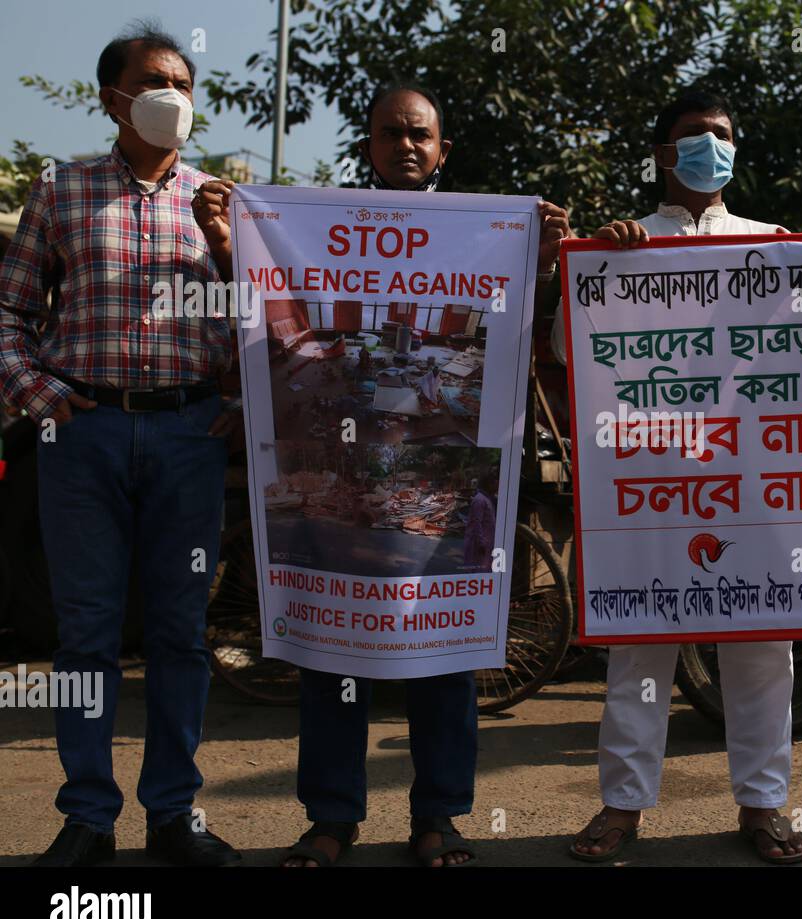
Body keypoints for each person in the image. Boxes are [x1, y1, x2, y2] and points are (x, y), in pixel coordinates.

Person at [194, 81, 572, 867]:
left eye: (420, 135)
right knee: (335, 657)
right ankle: (330, 820)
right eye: (390, 133)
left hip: (444, 494)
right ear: (367, 145)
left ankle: (439, 818)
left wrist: (537, 261)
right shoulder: (316, 230)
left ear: (442, 150)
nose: (406, 145)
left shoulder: (485, 233)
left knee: (447, 656)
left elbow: (513, 337)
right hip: (343, 486)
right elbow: (277, 321)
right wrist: (235, 247)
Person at [0, 22, 242, 867]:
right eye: (156, 80)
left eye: (184, 81)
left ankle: (174, 816)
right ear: (114, 97)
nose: (175, 95)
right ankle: (87, 820)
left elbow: (262, 324)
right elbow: (9, 314)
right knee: (84, 637)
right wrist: (44, 403)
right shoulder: (60, 190)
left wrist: (239, 398)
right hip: (84, 435)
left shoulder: (223, 203)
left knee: (180, 633)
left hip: (187, 435)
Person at [554, 89, 802, 864]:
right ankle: (621, 809)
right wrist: (596, 266)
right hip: (649, 472)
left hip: (751, 473)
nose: (710, 146)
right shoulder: (624, 246)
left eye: (723, 134)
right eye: (694, 135)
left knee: (762, 644)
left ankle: (763, 807)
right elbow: (570, 352)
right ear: (663, 153)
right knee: (640, 645)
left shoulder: (772, 243)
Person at [462, 469, 498, 572]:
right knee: (476, 573)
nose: (497, 486)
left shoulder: (488, 499)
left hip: (486, 544)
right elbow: (476, 524)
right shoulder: (480, 500)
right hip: (478, 545)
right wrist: (481, 543)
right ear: (489, 484)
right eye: (495, 483)